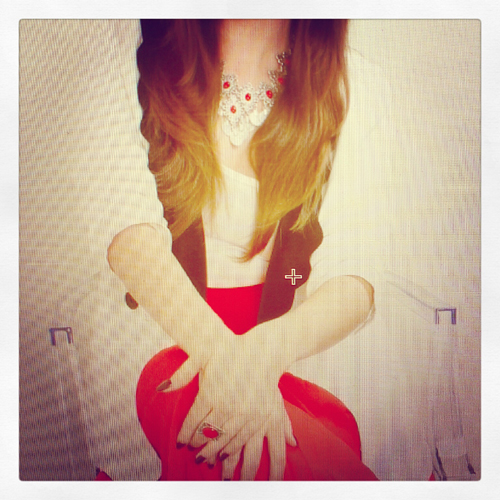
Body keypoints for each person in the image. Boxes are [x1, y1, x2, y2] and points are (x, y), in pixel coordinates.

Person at [99, 19, 386, 481]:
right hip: (164, 338)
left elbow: (357, 273)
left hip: (288, 349)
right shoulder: (128, 44)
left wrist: (260, 357)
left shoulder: (347, 78)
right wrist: (227, 364)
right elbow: (127, 234)